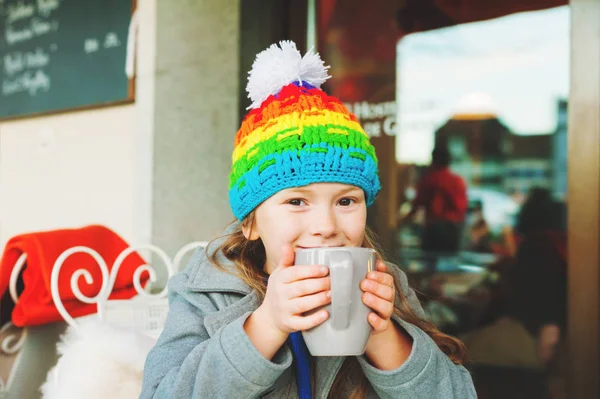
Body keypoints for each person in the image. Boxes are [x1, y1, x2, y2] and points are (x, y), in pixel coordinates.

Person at [140, 41, 476, 399]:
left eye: (346, 200)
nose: (327, 225)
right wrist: (265, 325)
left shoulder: (386, 286)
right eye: (297, 201)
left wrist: (384, 335)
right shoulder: (206, 291)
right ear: (250, 224)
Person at [399, 147, 468, 253]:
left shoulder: (429, 180)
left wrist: (401, 223)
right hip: (451, 229)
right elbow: (461, 210)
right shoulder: (456, 181)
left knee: (428, 263)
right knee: (451, 264)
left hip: (432, 228)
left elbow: (416, 206)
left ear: (433, 160)